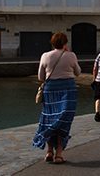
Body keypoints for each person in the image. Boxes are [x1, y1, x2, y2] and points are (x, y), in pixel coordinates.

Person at [32, 32, 81, 165]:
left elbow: (41, 77)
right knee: (63, 121)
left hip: (51, 90)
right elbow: (78, 72)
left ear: (52, 43)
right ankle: (59, 154)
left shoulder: (45, 56)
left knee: (50, 118)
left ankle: (49, 151)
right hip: (68, 90)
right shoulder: (71, 55)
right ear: (65, 43)